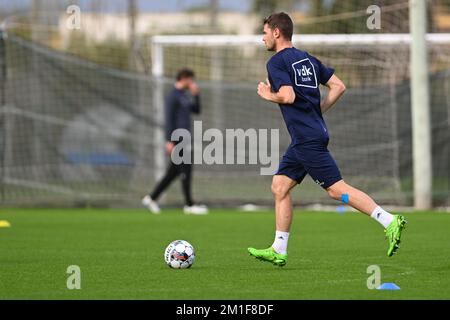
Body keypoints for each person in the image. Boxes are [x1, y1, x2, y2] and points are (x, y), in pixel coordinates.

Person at [248, 12, 406, 266]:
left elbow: (287, 96)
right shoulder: (307, 59)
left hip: (307, 139)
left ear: (276, 32)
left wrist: (268, 94)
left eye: (265, 32)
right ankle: (279, 248)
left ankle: (388, 220)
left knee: (336, 190)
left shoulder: (277, 62)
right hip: (307, 137)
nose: (263, 37)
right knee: (280, 186)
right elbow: (339, 86)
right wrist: (316, 112)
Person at [142, 68, 208, 215]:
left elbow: (196, 110)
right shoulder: (172, 96)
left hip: (185, 138)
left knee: (173, 173)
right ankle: (189, 205)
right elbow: (169, 119)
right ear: (184, 78)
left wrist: (196, 95)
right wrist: (169, 140)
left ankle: (152, 198)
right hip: (177, 139)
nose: (192, 82)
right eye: (191, 79)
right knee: (186, 170)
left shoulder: (184, 96)